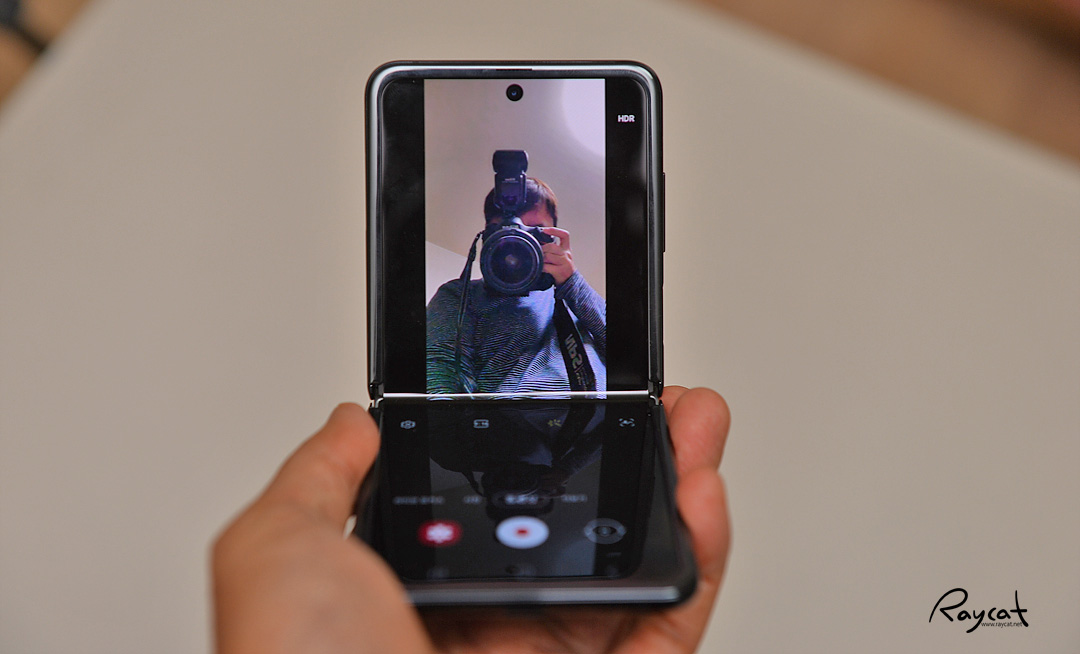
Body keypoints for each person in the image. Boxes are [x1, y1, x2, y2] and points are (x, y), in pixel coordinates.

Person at [211, 386, 731, 653]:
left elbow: (613, 382)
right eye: (504, 234)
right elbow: (436, 383)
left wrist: (568, 283)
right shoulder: (458, 301)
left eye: (536, 237)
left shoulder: (567, 305)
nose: (516, 254)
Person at [427, 178, 606, 394]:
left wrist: (572, 282)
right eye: (508, 229)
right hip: (505, 416)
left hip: (599, 414)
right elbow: (440, 375)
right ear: (488, 236)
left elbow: (630, 354)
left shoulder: (577, 300)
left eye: (535, 231)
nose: (520, 241)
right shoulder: (460, 294)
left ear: (553, 238)